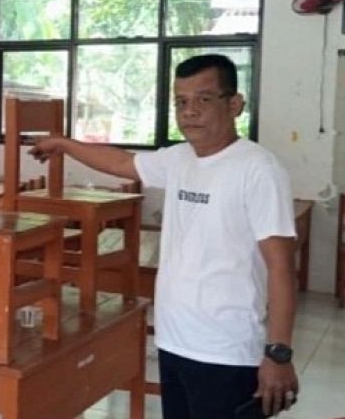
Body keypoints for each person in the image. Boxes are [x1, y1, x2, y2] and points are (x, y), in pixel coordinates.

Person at [29, 54, 299, 418]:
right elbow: (121, 162)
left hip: (227, 352)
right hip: (174, 342)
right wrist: (63, 144)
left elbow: (281, 267)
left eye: (204, 99)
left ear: (235, 104)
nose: (190, 112)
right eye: (181, 102)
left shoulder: (259, 169)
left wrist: (278, 353)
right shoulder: (179, 159)